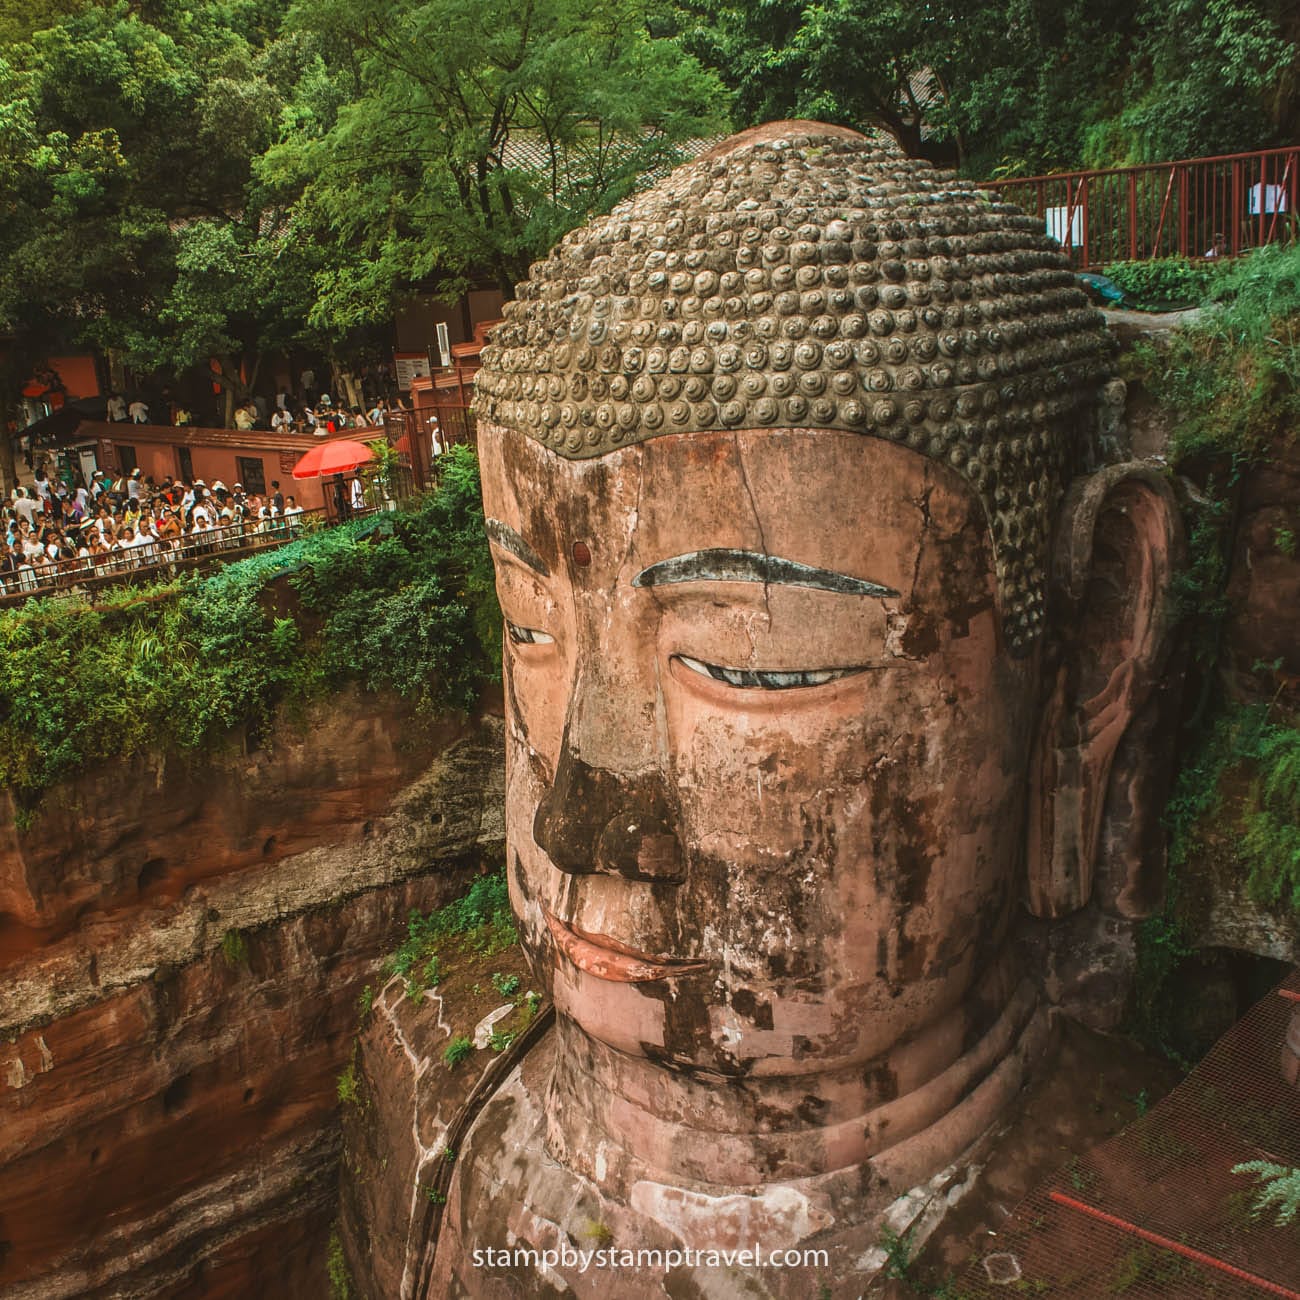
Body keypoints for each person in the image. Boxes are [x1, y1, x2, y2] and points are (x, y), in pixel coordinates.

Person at [428, 123, 1184, 1296]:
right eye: (530, 625)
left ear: (1090, 650)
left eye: (753, 667)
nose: (578, 824)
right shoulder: (434, 1089)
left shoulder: (1142, 1233)